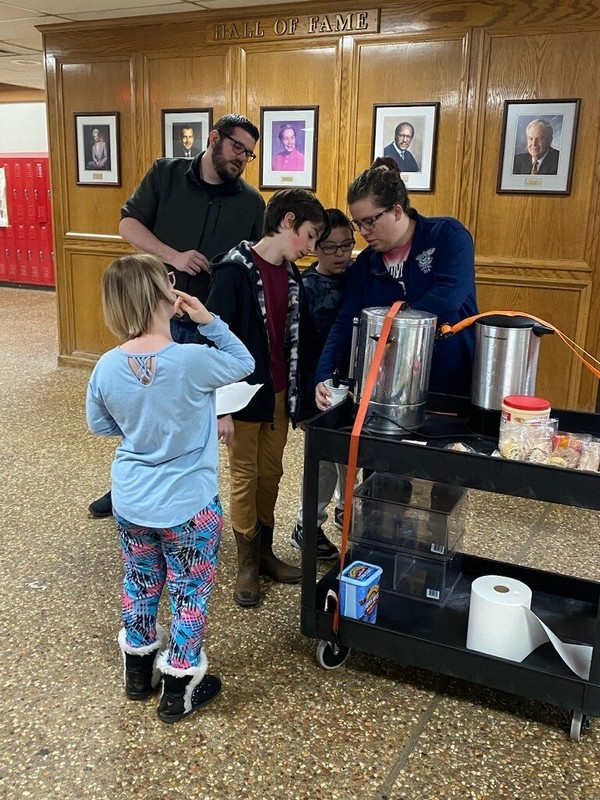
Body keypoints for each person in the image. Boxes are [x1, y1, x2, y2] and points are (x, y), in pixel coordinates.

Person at [86, 254, 254, 723]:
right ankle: (179, 687)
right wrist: (209, 320)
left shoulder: (104, 366)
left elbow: (100, 425)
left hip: (132, 498)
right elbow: (244, 362)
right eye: (170, 280)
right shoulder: (193, 360)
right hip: (188, 504)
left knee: (140, 582)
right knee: (189, 592)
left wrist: (145, 425)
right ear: (165, 295)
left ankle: (137, 673)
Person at [89, 113, 265, 518]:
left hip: (207, 320)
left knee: (194, 414)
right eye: (237, 147)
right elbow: (128, 226)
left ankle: (186, 489)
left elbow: (251, 264)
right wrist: (174, 257)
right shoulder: (165, 174)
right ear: (214, 139)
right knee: (143, 402)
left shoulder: (252, 203)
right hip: (154, 314)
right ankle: (129, 485)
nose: (242, 158)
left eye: (249, 154)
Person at [203, 188, 328, 608]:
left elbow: (302, 343)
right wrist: (220, 406)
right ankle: (246, 564)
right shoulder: (234, 270)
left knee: (270, 474)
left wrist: (305, 402)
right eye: (309, 236)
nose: (311, 248)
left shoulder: (293, 276)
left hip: (278, 395)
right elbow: (212, 342)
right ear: (288, 221)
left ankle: (267, 552)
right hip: (241, 399)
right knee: (244, 476)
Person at [315, 157, 478, 411]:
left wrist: (385, 333)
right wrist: (324, 374)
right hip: (389, 393)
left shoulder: (448, 236)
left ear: (397, 211)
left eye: (370, 220)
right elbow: (347, 322)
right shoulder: (364, 266)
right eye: (358, 224)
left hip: (452, 387)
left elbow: (446, 300)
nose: (364, 231)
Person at [289, 209, 355, 560]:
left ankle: (350, 518)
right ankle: (307, 525)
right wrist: (300, 405)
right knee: (324, 465)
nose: (341, 254)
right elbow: (297, 349)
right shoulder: (305, 288)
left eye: (347, 245)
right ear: (315, 247)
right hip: (319, 392)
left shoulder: (358, 279)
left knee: (352, 462)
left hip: (355, 390)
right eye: (331, 247)